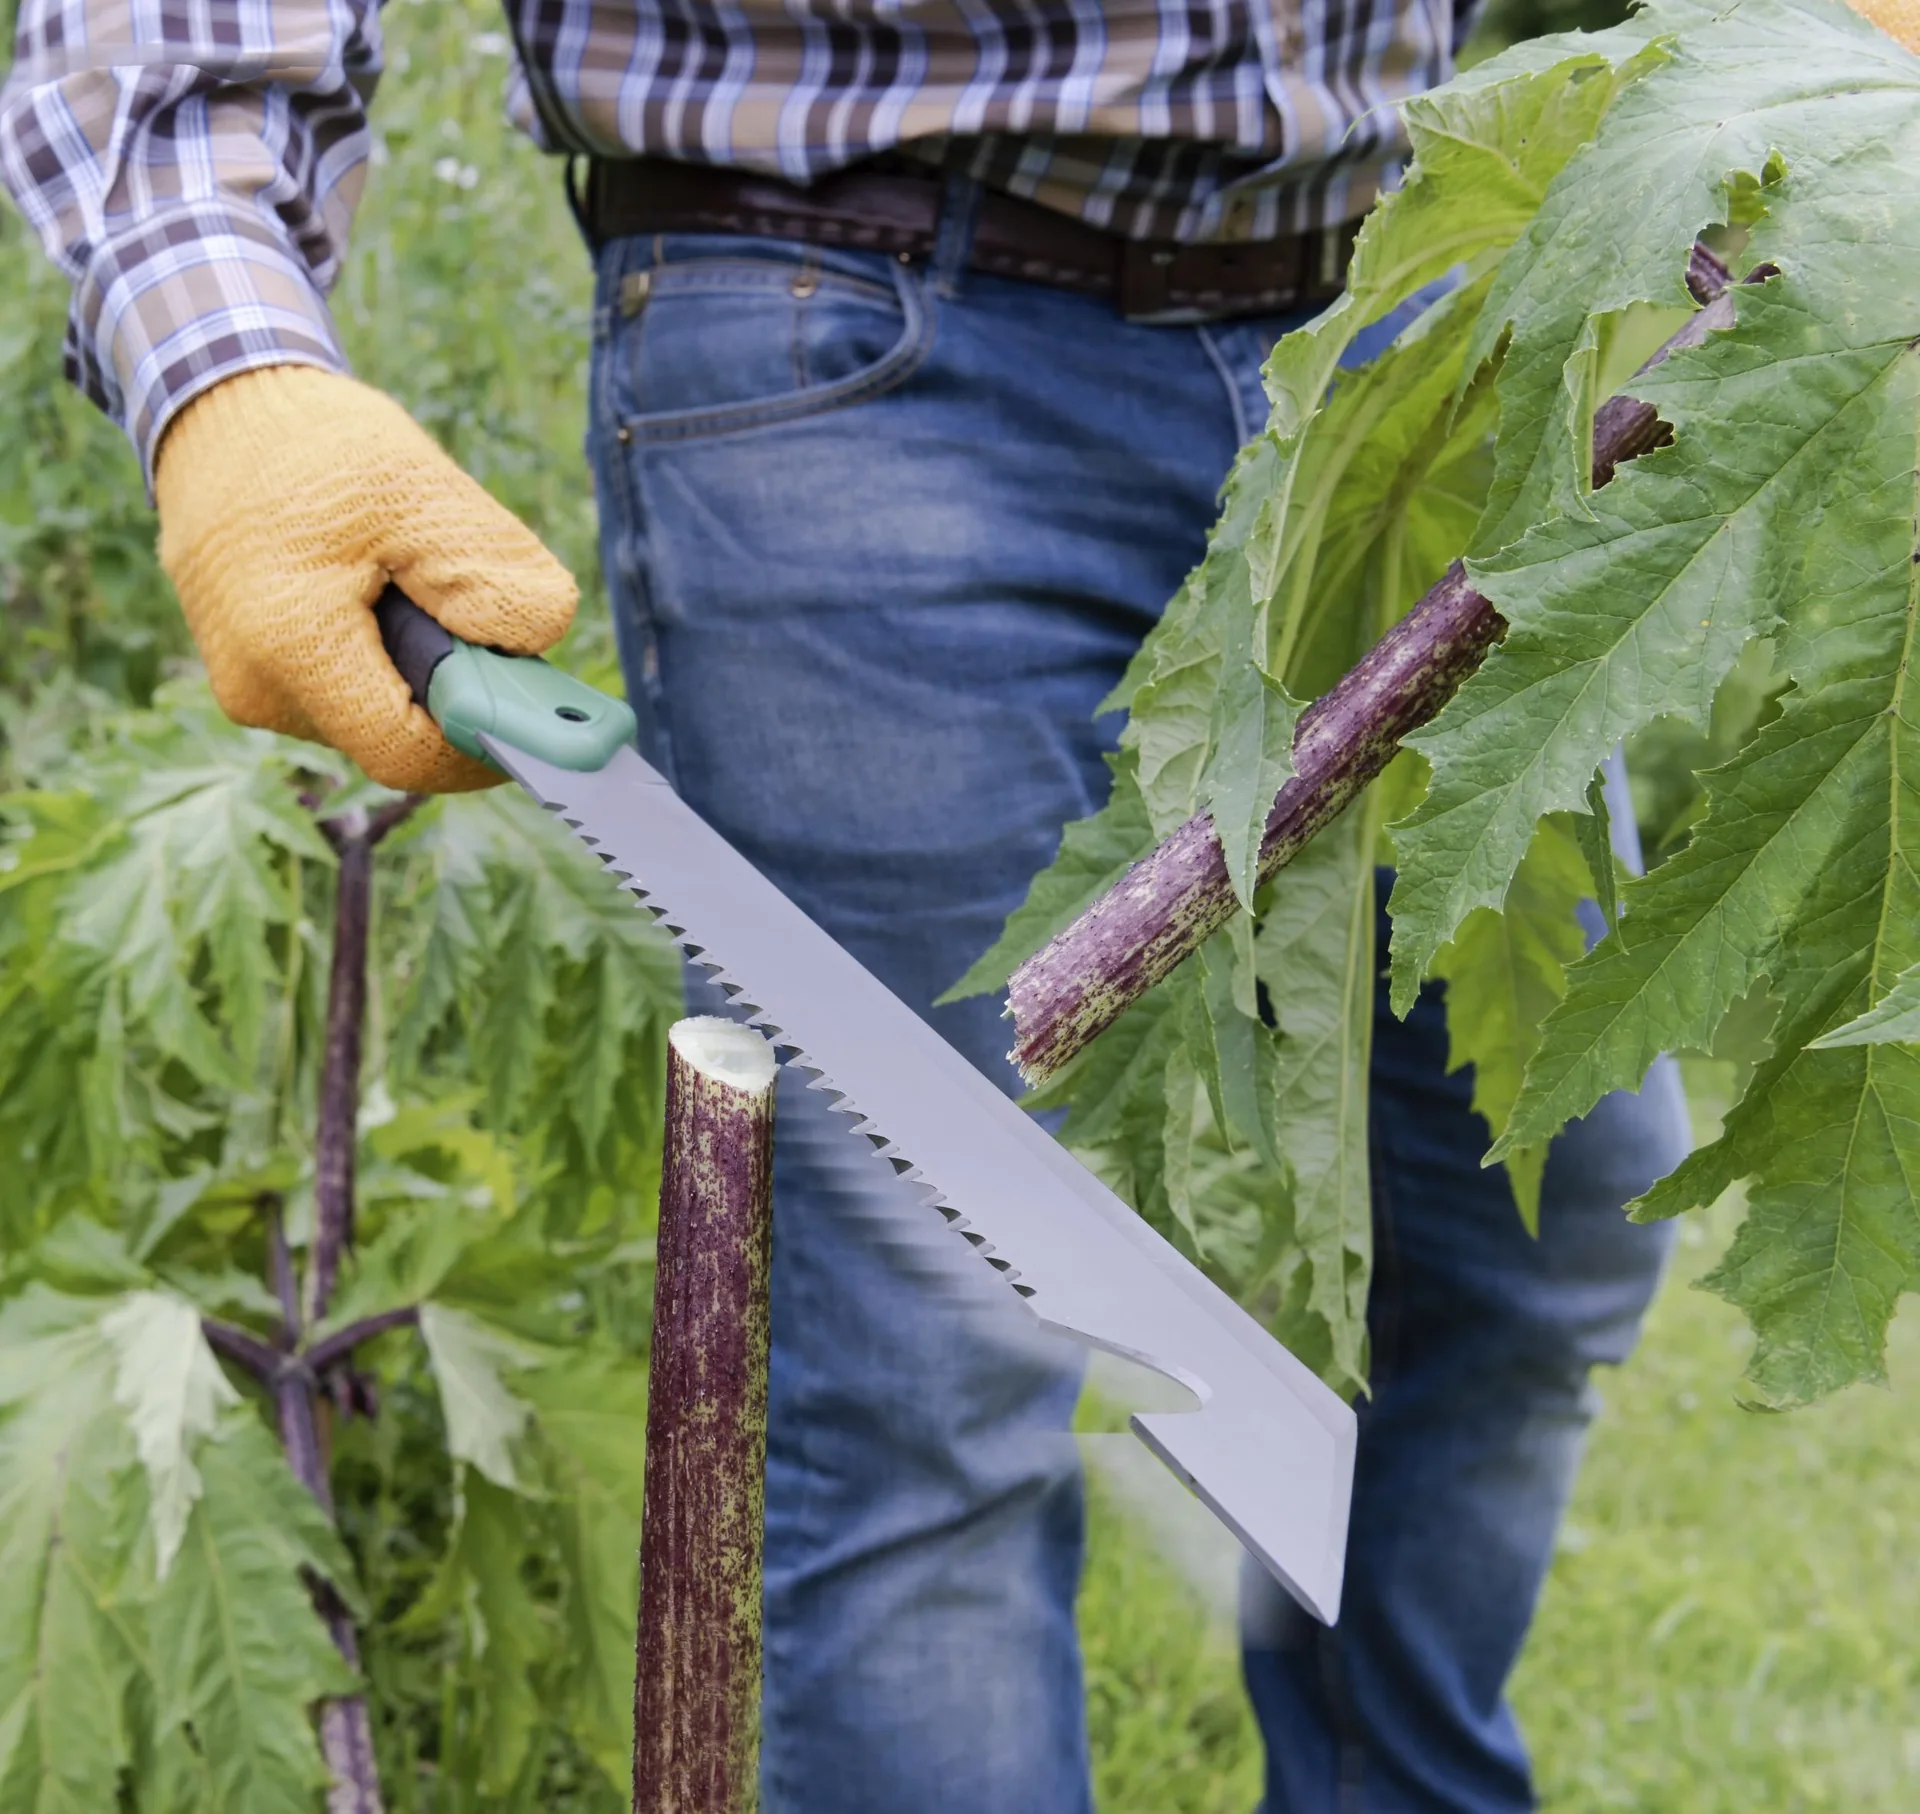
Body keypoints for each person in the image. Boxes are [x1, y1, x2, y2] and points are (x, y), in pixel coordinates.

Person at [0, 0, 1695, 1805]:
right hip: (854, 332)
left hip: (1397, 333)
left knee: (1546, 1199)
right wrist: (231, 369)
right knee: (929, 1377)